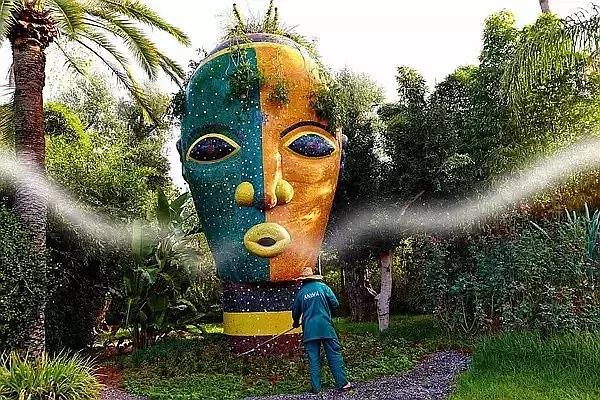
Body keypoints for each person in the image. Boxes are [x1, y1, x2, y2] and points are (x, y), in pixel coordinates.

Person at [292, 267, 354, 394]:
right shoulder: (323, 287)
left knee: (313, 358)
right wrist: (326, 310)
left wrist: (296, 322)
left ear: (303, 280)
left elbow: (295, 312)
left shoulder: (301, 293)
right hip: (326, 327)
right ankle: (343, 384)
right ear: (313, 277)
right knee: (334, 354)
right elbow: (335, 303)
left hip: (310, 330)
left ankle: (316, 388)